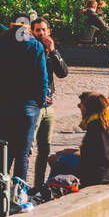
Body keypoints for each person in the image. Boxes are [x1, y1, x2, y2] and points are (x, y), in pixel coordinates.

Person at [0, 14, 49, 183]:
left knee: (2, 152)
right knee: (22, 154)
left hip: (3, 105)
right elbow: (42, 77)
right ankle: (18, 193)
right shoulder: (34, 46)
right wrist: (41, 102)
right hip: (28, 107)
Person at [29, 18, 69, 193]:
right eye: (38, 30)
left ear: (49, 32)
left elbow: (63, 73)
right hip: (34, 106)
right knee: (26, 148)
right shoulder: (30, 50)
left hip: (49, 106)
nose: (41, 33)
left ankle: (38, 185)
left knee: (44, 148)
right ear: (32, 32)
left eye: (44, 30)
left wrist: (53, 51)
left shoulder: (50, 52)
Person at [75, 91, 109, 187]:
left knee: (60, 161)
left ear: (89, 108)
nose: (80, 108)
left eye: (81, 106)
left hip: (101, 175)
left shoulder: (95, 125)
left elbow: (87, 157)